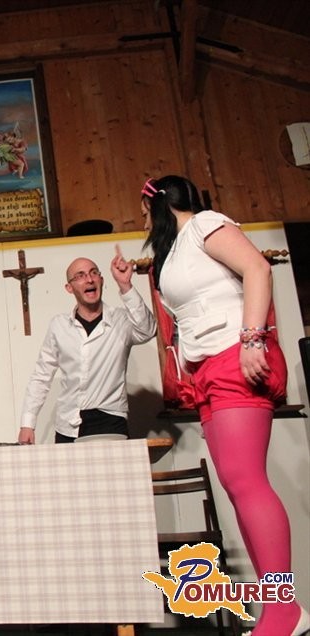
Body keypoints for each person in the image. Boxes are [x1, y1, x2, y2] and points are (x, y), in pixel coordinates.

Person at [140, 175, 308, 636]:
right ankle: (279, 610)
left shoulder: (204, 223)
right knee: (237, 487)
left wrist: (253, 338)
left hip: (236, 356)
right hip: (207, 370)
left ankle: (285, 611)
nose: (143, 219)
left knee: (247, 482)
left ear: (158, 203)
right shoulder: (176, 248)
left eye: (144, 209)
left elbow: (257, 268)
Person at [18, 251, 156, 444]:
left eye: (93, 273)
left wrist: (125, 285)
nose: (89, 279)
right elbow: (41, 376)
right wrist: (27, 424)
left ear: (101, 280)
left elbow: (148, 330)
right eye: (80, 276)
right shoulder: (58, 325)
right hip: (68, 424)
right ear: (69, 288)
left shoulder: (121, 320)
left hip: (110, 420)